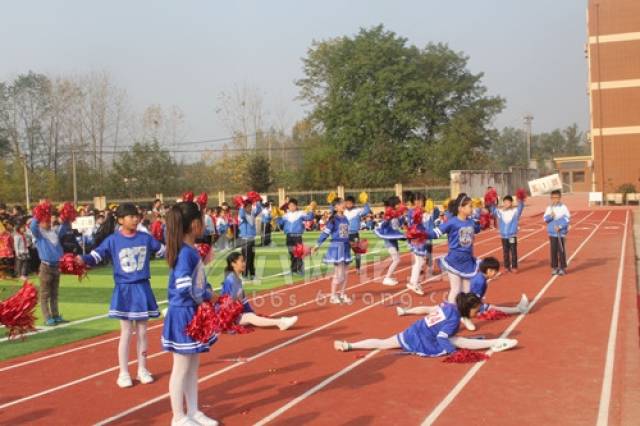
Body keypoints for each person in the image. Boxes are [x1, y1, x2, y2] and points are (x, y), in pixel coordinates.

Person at [76, 203, 164, 388]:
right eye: (131, 216)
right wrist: (80, 259)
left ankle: (142, 368)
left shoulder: (145, 238)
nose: (135, 219)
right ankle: (123, 372)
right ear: (120, 220)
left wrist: (181, 247)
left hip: (142, 288)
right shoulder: (113, 240)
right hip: (124, 289)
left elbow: (164, 250)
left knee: (142, 332)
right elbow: (96, 256)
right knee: (126, 333)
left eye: (136, 216)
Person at [162, 201, 219, 426]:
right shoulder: (185, 254)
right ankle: (178, 416)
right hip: (183, 314)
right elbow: (186, 287)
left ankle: (193, 410)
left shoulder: (189, 250)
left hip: (192, 312)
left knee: (193, 366)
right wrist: (208, 295)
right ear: (194, 224)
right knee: (181, 368)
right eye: (203, 220)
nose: (205, 224)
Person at [333, 292, 517, 355]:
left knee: (383, 343)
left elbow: (432, 316)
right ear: (467, 309)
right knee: (458, 342)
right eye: (476, 309)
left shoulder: (449, 307)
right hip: (422, 338)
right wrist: (453, 353)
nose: (478, 312)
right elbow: (442, 336)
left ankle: (349, 345)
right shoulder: (453, 319)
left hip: (414, 330)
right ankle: (494, 343)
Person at [397, 257, 529, 328]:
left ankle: (405, 311)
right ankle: (519, 309)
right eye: (494, 271)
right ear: (488, 271)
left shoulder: (479, 276)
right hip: (463, 306)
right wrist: (478, 309)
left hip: (460, 302)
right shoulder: (480, 281)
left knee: (432, 309)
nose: (496, 273)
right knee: (494, 308)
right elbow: (473, 301)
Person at [425, 193, 481, 331]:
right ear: (461, 208)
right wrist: (421, 232)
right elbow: (435, 233)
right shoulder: (452, 222)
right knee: (455, 289)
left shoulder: (470, 221)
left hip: (468, 261)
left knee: (468, 292)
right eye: (469, 206)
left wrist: (481, 220)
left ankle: (465, 317)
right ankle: (450, 316)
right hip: (454, 261)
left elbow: (478, 229)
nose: (471, 208)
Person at [221, 252, 297, 329]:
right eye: (242, 261)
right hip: (228, 317)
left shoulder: (237, 279)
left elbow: (243, 300)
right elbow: (227, 302)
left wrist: (249, 311)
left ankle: (280, 322)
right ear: (233, 264)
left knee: (251, 316)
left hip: (234, 314)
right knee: (250, 317)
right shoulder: (231, 280)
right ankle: (280, 322)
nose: (244, 263)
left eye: (244, 261)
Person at [30, 207, 72, 326]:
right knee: (45, 294)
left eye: (49, 221)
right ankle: (47, 317)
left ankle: (56, 315)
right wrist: (37, 215)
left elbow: (64, 227)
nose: (48, 223)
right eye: (45, 221)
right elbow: (33, 226)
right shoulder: (39, 234)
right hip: (45, 267)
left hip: (56, 266)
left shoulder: (54, 232)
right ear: (41, 222)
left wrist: (66, 216)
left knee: (54, 293)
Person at [312, 198, 352, 304]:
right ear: (335, 207)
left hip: (346, 247)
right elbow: (325, 233)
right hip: (337, 247)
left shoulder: (345, 218)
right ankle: (333, 296)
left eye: (343, 203)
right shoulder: (333, 219)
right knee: (339, 274)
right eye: (341, 204)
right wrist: (317, 245)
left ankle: (342, 294)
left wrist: (354, 243)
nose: (343, 205)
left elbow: (346, 234)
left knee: (345, 273)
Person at [276, 198, 315, 275]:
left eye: (293, 205)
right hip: (289, 236)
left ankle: (300, 269)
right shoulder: (286, 215)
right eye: (290, 206)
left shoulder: (300, 213)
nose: (291, 207)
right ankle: (293, 269)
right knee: (291, 253)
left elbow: (309, 218)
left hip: (297, 236)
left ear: (296, 206)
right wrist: (277, 216)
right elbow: (280, 223)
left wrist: (311, 210)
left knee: (299, 253)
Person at [374, 196, 406, 286]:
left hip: (394, 238)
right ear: (395, 205)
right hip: (388, 238)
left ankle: (390, 276)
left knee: (397, 258)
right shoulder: (389, 213)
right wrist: (389, 217)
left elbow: (399, 224)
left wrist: (402, 216)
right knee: (396, 259)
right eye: (399, 203)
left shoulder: (397, 214)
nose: (400, 205)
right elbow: (384, 225)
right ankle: (387, 278)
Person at [491, 195, 525, 273]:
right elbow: (493, 210)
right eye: (505, 202)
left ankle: (514, 267)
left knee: (513, 252)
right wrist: (493, 202)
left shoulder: (515, 212)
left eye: (508, 202)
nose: (506, 204)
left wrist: (520, 199)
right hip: (503, 236)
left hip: (512, 236)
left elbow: (521, 207)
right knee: (505, 252)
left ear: (511, 203)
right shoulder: (500, 212)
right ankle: (506, 266)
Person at [544, 190, 570, 275]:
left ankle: (562, 268)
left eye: (557, 197)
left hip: (560, 233)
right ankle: (555, 267)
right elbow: (545, 219)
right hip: (552, 233)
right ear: (551, 198)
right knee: (553, 251)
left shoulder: (563, 207)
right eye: (553, 197)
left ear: (560, 198)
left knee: (561, 251)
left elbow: (567, 219)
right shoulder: (549, 208)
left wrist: (560, 227)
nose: (555, 199)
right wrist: (550, 216)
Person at [343, 195, 371, 273]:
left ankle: (358, 268)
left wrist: (365, 202)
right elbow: (333, 212)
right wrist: (332, 203)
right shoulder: (342, 210)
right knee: (345, 251)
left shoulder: (358, 210)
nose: (348, 204)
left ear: (353, 203)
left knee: (357, 252)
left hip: (354, 233)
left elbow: (367, 211)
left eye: (350, 203)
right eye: (347, 203)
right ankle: (344, 268)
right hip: (344, 233)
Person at [238, 197, 262, 280]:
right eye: (248, 207)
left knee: (252, 257)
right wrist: (241, 205)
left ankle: (252, 274)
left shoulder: (251, 214)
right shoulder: (243, 215)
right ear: (244, 208)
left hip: (252, 239)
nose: (250, 208)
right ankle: (244, 275)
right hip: (245, 239)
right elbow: (241, 214)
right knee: (246, 258)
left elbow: (259, 210)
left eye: (250, 206)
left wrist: (257, 201)